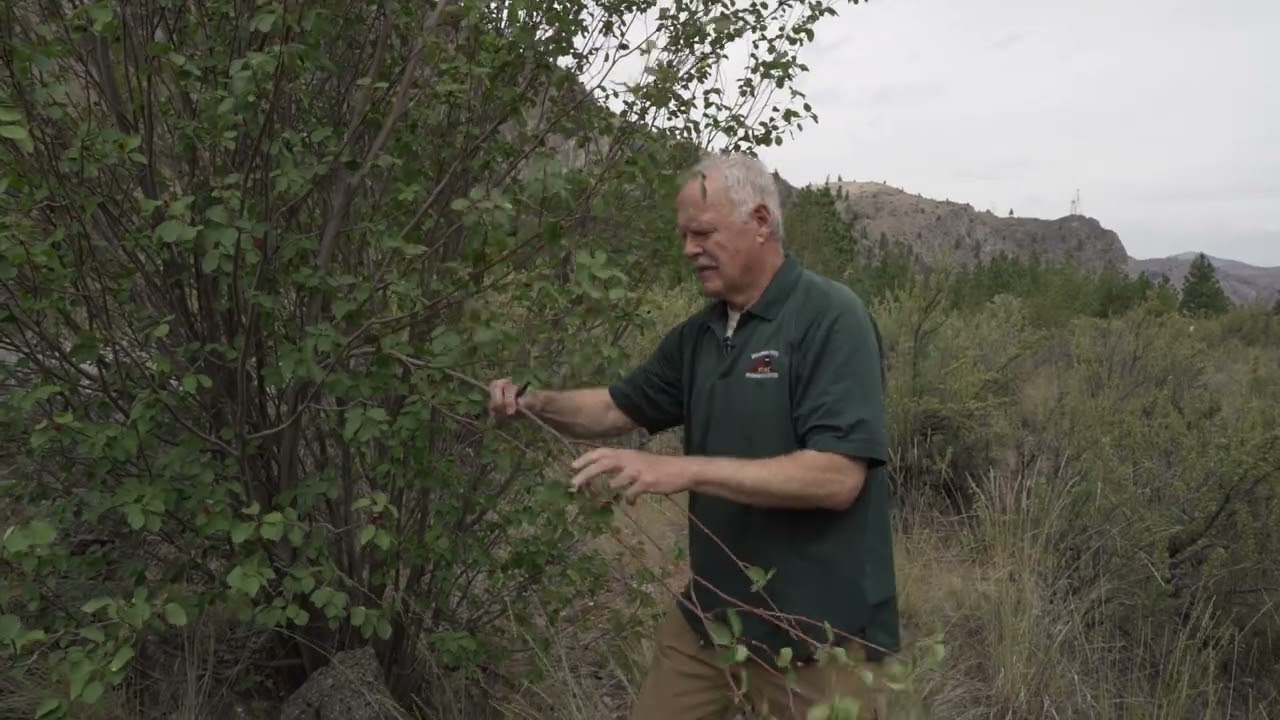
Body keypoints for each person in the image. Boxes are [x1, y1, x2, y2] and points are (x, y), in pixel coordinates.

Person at [487, 152, 899, 720]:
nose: (688, 249)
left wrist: (687, 470)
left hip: (818, 634)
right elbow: (613, 409)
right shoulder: (699, 337)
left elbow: (836, 477)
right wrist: (535, 402)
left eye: (702, 232)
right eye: (683, 235)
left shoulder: (830, 317)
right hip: (713, 619)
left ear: (759, 222)